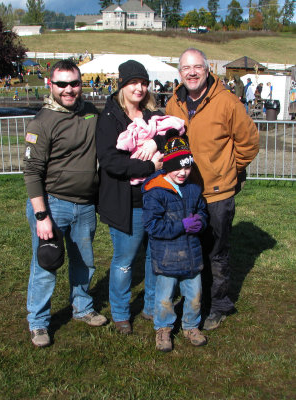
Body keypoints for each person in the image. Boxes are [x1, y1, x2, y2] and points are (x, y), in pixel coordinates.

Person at [166, 48, 259, 331]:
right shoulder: (174, 103)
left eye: (197, 67)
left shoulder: (228, 102)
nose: (191, 72)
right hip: (185, 192)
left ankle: (218, 305)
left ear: (208, 70)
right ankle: (194, 300)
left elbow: (249, 143)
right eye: (185, 68)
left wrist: (230, 168)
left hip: (217, 193)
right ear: (179, 73)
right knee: (190, 248)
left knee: (216, 252)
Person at [23, 60, 107, 348]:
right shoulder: (42, 122)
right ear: (51, 85)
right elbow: (32, 172)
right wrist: (42, 215)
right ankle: (38, 322)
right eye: (62, 84)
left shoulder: (90, 112)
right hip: (53, 206)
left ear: (81, 83)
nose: (68, 89)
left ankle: (82, 307)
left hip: (85, 206)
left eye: (74, 83)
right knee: (46, 265)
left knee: (85, 262)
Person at [96, 60, 164, 334]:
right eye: (133, 82)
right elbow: (111, 161)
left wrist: (156, 142)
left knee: (152, 257)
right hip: (127, 203)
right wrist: (148, 167)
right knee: (124, 260)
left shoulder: (153, 115)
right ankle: (121, 312)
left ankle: (150, 306)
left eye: (143, 83)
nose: (139, 87)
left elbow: (173, 135)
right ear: (122, 85)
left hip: (155, 200)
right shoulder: (110, 118)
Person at [142, 129, 208, 352]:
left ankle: (191, 325)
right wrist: (182, 226)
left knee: (194, 295)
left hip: (191, 255)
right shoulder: (156, 192)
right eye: (177, 167)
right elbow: (152, 226)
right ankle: (163, 328)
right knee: (164, 296)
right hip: (167, 256)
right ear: (167, 166)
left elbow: (202, 212)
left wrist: (202, 221)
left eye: (187, 166)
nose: (183, 172)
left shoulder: (193, 190)